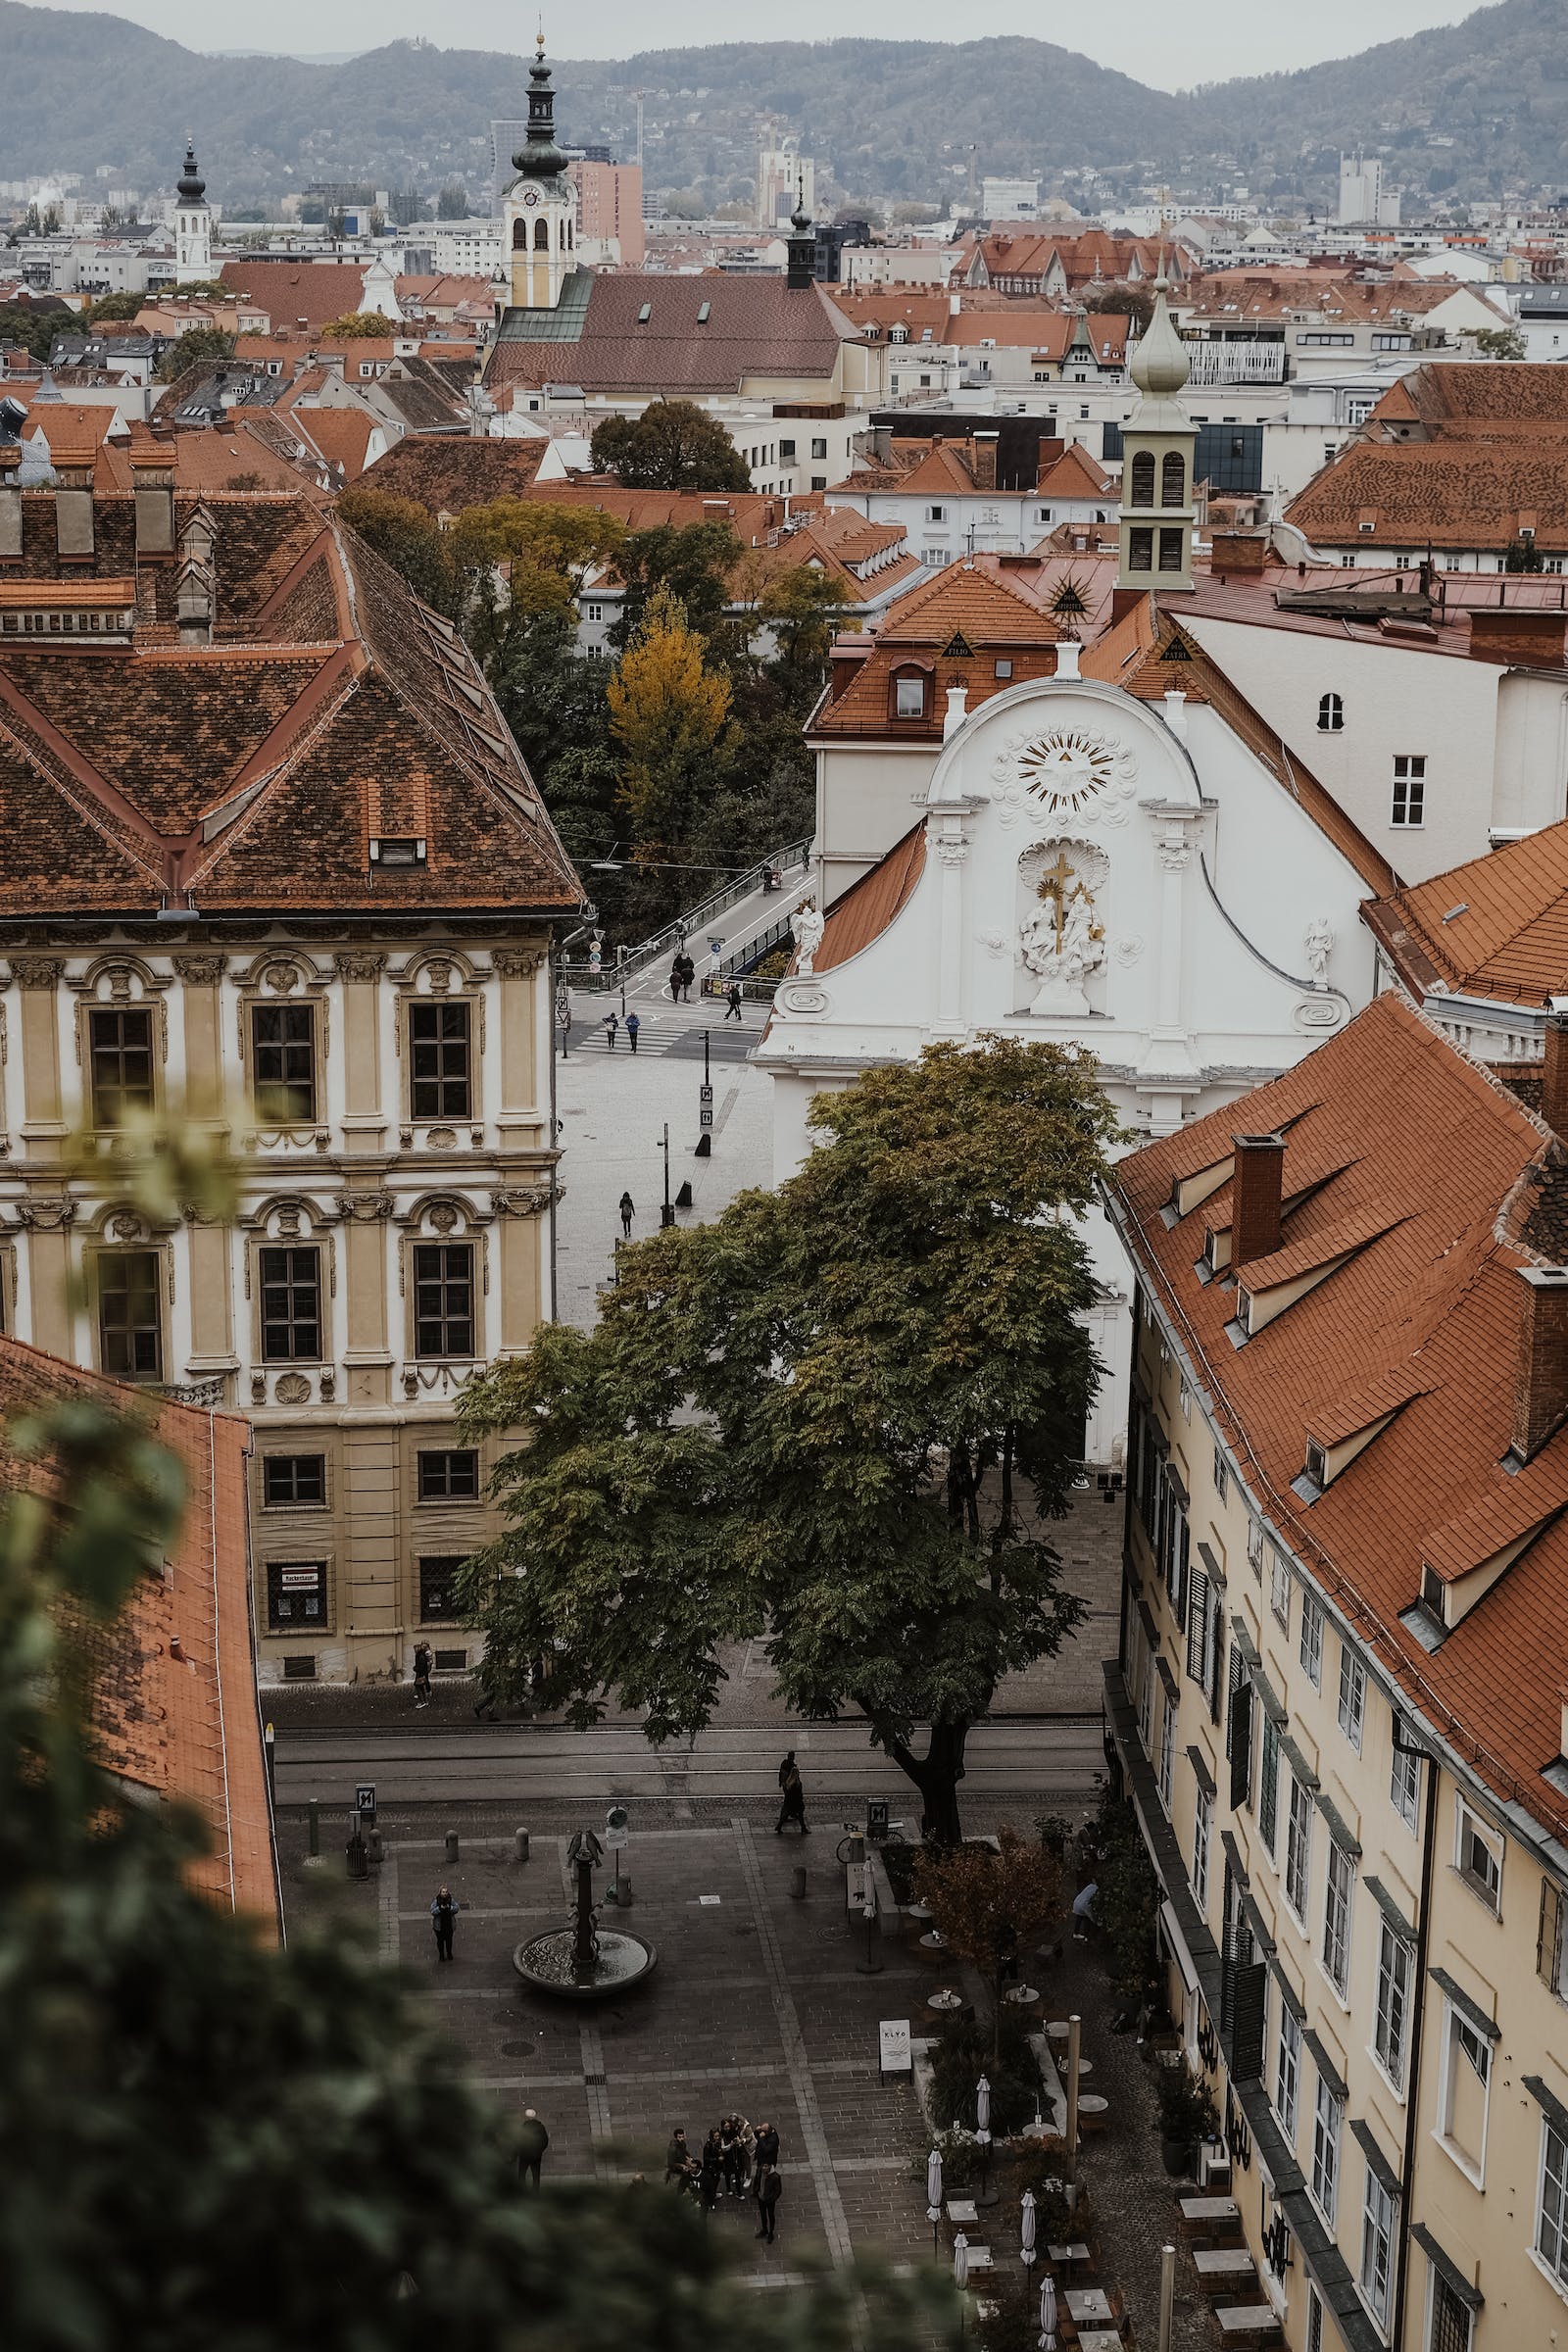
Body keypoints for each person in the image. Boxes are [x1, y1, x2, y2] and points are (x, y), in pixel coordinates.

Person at [515, 2107, 549, 2191]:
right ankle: (535, 2192)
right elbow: (545, 2141)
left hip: (525, 2155)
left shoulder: (524, 2127)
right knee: (536, 2174)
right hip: (536, 2155)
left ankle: (522, 2191)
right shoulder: (540, 2127)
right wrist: (539, 2151)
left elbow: (519, 2140)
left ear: (526, 2117)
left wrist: (520, 2151)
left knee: (522, 2174)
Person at [776, 1756, 808, 1837]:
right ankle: (803, 1829)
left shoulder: (790, 1782)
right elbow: (798, 1793)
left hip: (790, 1802)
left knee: (787, 1814)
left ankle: (779, 1827)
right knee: (799, 1816)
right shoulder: (796, 1783)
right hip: (796, 1802)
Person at [429, 1884, 458, 1963]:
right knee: (440, 1942)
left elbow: (457, 1908)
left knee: (449, 1941)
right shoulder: (436, 1901)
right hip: (439, 1926)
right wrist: (439, 1908)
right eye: (443, 1892)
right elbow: (432, 1911)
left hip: (449, 1926)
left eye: (446, 1892)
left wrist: (450, 1908)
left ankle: (449, 1953)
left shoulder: (451, 1900)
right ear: (440, 1893)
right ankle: (441, 1955)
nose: (445, 1893)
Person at [719, 2114, 746, 2196]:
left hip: (736, 2156)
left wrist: (738, 2143)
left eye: (728, 2126)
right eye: (726, 2127)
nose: (728, 2128)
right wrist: (730, 2145)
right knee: (728, 2174)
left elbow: (738, 2141)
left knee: (737, 2173)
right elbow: (723, 2148)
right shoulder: (722, 2136)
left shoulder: (734, 2132)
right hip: (728, 2158)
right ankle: (728, 2188)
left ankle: (738, 2192)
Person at [755, 2163, 782, 2243]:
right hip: (761, 2198)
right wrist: (756, 2191)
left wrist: (772, 2199)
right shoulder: (760, 2171)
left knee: (771, 2215)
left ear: (770, 2166)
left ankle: (771, 2232)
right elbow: (757, 2181)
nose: (764, 2168)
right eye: (763, 2166)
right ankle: (764, 2229)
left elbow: (778, 2191)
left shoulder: (775, 2177)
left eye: (766, 2166)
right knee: (763, 2215)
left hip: (769, 2201)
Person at [698, 2128, 723, 2215]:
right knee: (711, 2185)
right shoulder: (708, 2146)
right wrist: (717, 2159)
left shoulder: (718, 2143)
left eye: (718, 2136)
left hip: (717, 2167)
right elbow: (706, 2159)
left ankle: (713, 2195)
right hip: (711, 2168)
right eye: (715, 2136)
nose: (717, 2138)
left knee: (716, 2182)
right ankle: (711, 2201)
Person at [412, 1640, 432, 1707]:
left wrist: (415, 1668)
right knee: (422, 1687)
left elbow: (422, 1666)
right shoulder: (422, 1655)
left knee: (418, 1686)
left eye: (415, 1649)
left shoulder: (421, 1656)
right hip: (422, 1673)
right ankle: (425, 1702)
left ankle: (422, 1702)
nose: (414, 1651)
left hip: (421, 1673)